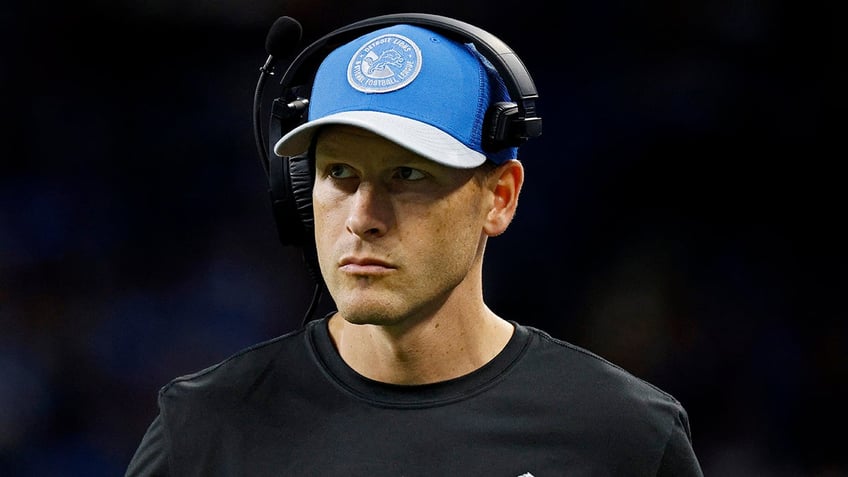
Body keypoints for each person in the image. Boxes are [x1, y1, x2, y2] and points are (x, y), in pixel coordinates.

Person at [126, 15, 704, 476]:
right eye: (340, 174)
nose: (363, 218)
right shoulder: (205, 428)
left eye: (408, 175)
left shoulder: (623, 436)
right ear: (301, 193)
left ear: (499, 198)